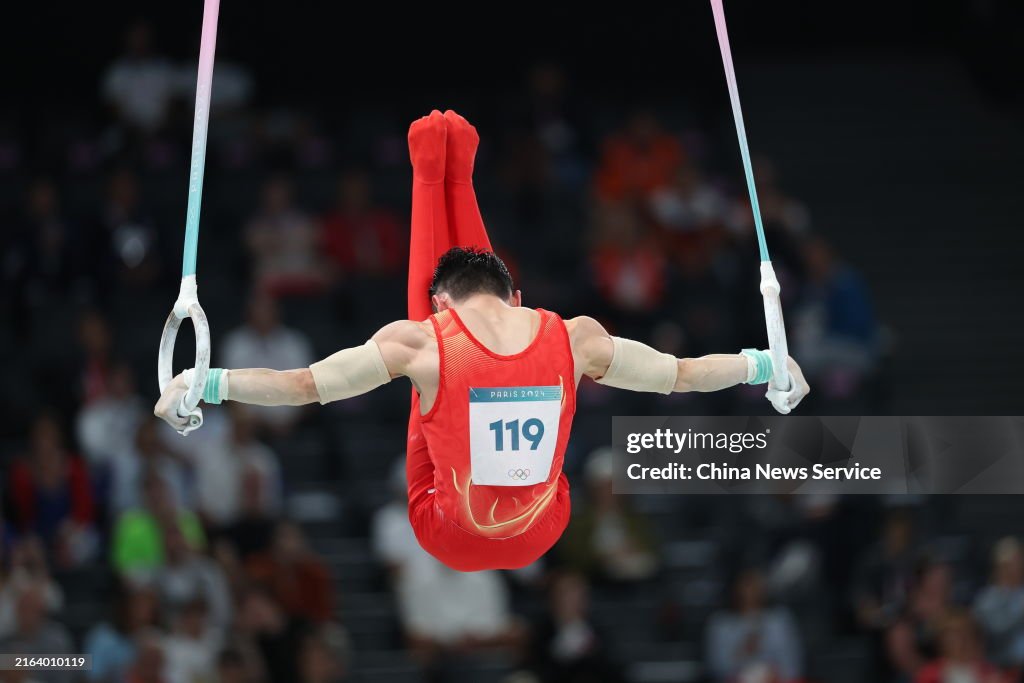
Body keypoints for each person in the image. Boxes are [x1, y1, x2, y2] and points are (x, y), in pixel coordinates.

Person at [155, 110, 810, 573]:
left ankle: (436, 175)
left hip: (455, 533)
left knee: (426, 383)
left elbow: (302, 385)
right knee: (437, 384)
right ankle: (447, 175)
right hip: (539, 526)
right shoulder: (575, 337)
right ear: (516, 298)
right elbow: (684, 374)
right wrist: (765, 363)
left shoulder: (425, 340)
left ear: (441, 304)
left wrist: (205, 382)